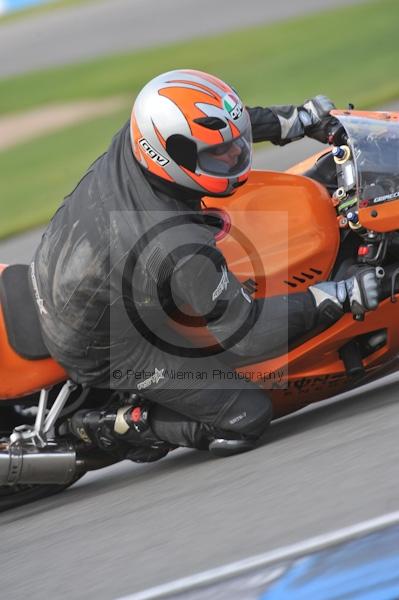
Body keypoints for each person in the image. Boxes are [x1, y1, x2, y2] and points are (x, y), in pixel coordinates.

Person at [31, 69, 380, 461]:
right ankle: (114, 424)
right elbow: (246, 332)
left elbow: (223, 125)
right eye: (218, 153)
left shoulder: (143, 137)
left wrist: (297, 119)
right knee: (245, 415)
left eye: (233, 143)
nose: (234, 154)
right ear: (170, 154)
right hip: (104, 343)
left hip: (73, 267)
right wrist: (340, 295)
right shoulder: (175, 245)